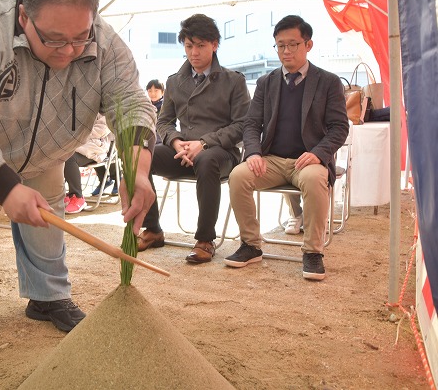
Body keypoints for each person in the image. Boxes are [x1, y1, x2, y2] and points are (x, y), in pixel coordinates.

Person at [0, 0, 156, 350]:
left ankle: (48, 296)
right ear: (23, 16)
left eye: (80, 38)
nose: (69, 51)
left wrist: (140, 169)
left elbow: (129, 100)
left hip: (46, 147)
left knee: (47, 217)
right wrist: (4, 187)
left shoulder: (104, 40)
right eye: (54, 40)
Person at [225, 15, 349, 280]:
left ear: (308, 45)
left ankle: (313, 252)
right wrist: (254, 152)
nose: (286, 51)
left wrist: (318, 153)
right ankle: (251, 245)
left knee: (316, 180)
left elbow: (339, 127)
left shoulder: (328, 82)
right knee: (238, 176)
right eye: (280, 45)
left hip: (308, 162)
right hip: (271, 159)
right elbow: (250, 124)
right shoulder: (266, 83)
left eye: (293, 44)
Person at [137, 14, 250, 264]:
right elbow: (164, 122)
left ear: (215, 44)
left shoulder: (233, 81)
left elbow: (243, 125)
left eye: (200, 45)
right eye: (189, 46)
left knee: (207, 159)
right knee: (141, 156)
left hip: (220, 154)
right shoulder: (175, 82)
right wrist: (176, 141)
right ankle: (153, 228)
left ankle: (205, 240)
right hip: (182, 151)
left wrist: (205, 142)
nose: (194, 52)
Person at [63, 114, 117, 214]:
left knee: (68, 157)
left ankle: (77, 196)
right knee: (58, 153)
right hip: (78, 143)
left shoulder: (105, 106)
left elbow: (102, 129)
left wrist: (77, 134)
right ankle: (63, 194)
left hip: (95, 147)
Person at [145, 79, 165, 144]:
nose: (152, 93)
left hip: (160, 138)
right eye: (150, 91)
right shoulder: (146, 106)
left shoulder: (165, 106)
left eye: (156, 90)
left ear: (162, 92)